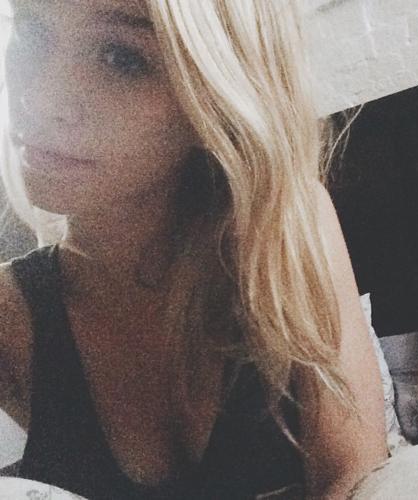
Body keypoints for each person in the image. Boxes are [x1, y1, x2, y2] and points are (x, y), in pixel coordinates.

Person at [0, 0, 388, 498]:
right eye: (31, 33)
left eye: (122, 57)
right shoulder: (12, 313)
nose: (39, 98)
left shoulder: (282, 233)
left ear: (215, 95)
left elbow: (352, 476)